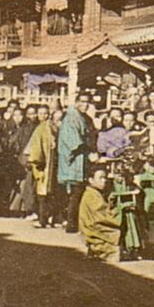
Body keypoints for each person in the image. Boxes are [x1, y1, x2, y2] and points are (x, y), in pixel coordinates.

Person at [58, 94, 94, 233]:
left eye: (87, 102)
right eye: (83, 102)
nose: (85, 105)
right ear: (77, 102)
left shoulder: (80, 118)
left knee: (77, 193)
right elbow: (74, 141)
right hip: (73, 161)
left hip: (79, 159)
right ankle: (71, 224)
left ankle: (73, 222)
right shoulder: (71, 118)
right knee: (75, 193)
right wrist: (88, 151)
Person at [78, 166, 121, 263]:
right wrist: (118, 211)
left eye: (105, 178)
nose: (104, 181)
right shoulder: (92, 195)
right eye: (100, 178)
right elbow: (103, 216)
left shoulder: (95, 193)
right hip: (94, 230)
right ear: (91, 180)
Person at [27, 105, 58, 229]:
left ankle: (43, 219)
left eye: (45, 113)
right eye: (40, 113)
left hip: (44, 163)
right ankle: (47, 218)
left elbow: (37, 150)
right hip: (47, 162)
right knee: (46, 192)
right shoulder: (45, 127)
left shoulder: (45, 128)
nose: (42, 116)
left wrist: (36, 162)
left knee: (43, 192)